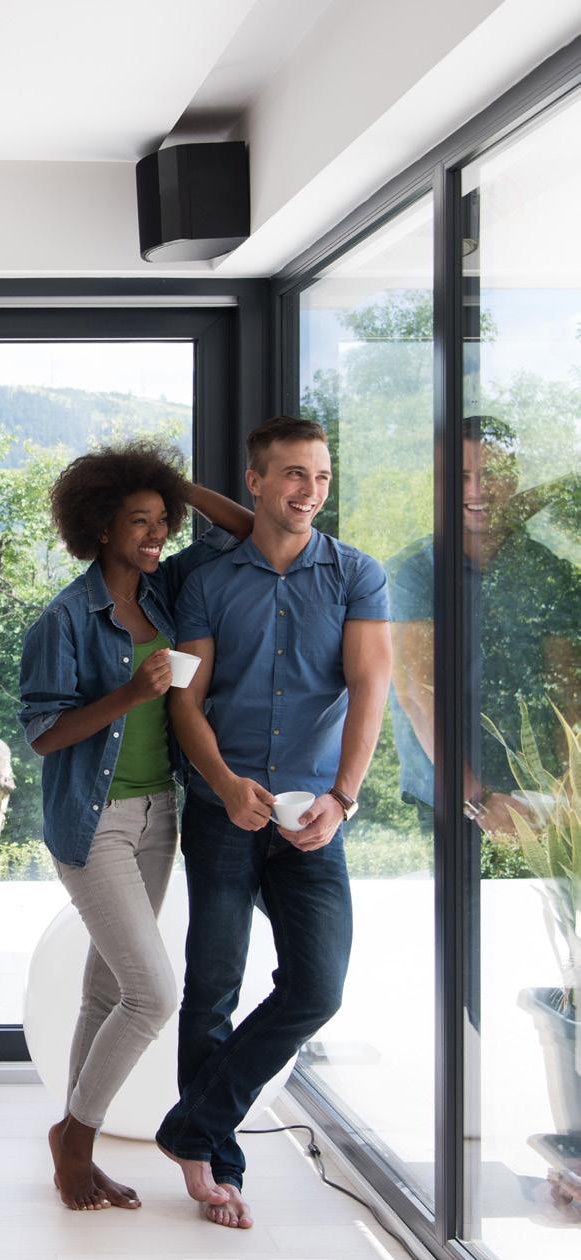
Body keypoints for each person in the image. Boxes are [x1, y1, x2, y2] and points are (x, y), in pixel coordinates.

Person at [155, 415, 392, 1229]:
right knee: (212, 986)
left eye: (321, 476)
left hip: (313, 813)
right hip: (223, 810)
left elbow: (371, 686)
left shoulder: (357, 575)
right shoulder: (207, 582)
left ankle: (192, 1125)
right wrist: (223, 784)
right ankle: (214, 1165)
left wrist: (343, 798)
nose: (310, 490)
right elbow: (185, 700)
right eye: (293, 473)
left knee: (317, 987)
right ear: (255, 480)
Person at [18, 438, 254, 1211]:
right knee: (152, 995)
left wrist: (172, 485)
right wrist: (129, 693)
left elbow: (244, 533)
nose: (156, 535)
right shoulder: (65, 618)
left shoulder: (164, 590)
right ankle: (75, 1141)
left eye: (162, 521)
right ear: (100, 528)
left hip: (159, 815)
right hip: (95, 825)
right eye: (138, 521)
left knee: (105, 991)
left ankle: (73, 1144)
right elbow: (44, 734)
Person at [388, 415, 580, 839]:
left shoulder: (544, 569)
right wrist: (478, 798)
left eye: (491, 474)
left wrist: (570, 785)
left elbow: (567, 687)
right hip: (451, 798)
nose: (477, 490)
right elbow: (418, 696)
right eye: (461, 477)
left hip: (538, 796)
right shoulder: (415, 573)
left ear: (514, 478)